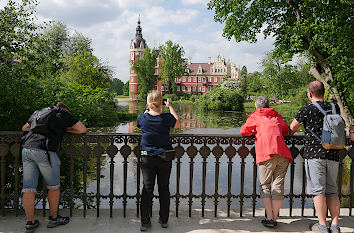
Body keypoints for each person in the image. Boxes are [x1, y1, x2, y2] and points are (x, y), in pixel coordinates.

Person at [21, 103, 86, 233]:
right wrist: (65, 129)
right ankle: (54, 218)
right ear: (66, 110)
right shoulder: (63, 114)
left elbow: (24, 128)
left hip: (27, 149)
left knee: (28, 188)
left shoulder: (39, 112)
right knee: (53, 187)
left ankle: (30, 222)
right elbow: (82, 129)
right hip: (44, 152)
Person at [289, 81, 341, 233]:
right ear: (323, 93)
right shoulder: (334, 107)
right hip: (333, 153)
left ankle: (322, 225)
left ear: (309, 94)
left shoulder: (307, 109)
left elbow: (291, 129)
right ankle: (335, 225)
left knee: (318, 191)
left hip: (314, 154)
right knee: (332, 190)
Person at [241, 96, 292, 227]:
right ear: (268, 105)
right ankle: (274, 218)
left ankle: (270, 218)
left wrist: (255, 132)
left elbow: (244, 131)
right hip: (283, 154)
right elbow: (286, 130)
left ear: (257, 106)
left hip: (267, 154)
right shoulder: (276, 116)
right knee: (278, 186)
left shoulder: (255, 115)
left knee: (265, 186)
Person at [137, 90, 180, 232]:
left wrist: (147, 109)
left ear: (148, 103)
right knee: (164, 188)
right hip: (164, 157)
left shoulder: (142, 118)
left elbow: (141, 122)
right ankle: (163, 220)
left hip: (147, 157)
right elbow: (178, 123)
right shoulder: (167, 117)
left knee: (147, 188)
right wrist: (171, 107)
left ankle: (145, 222)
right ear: (161, 102)